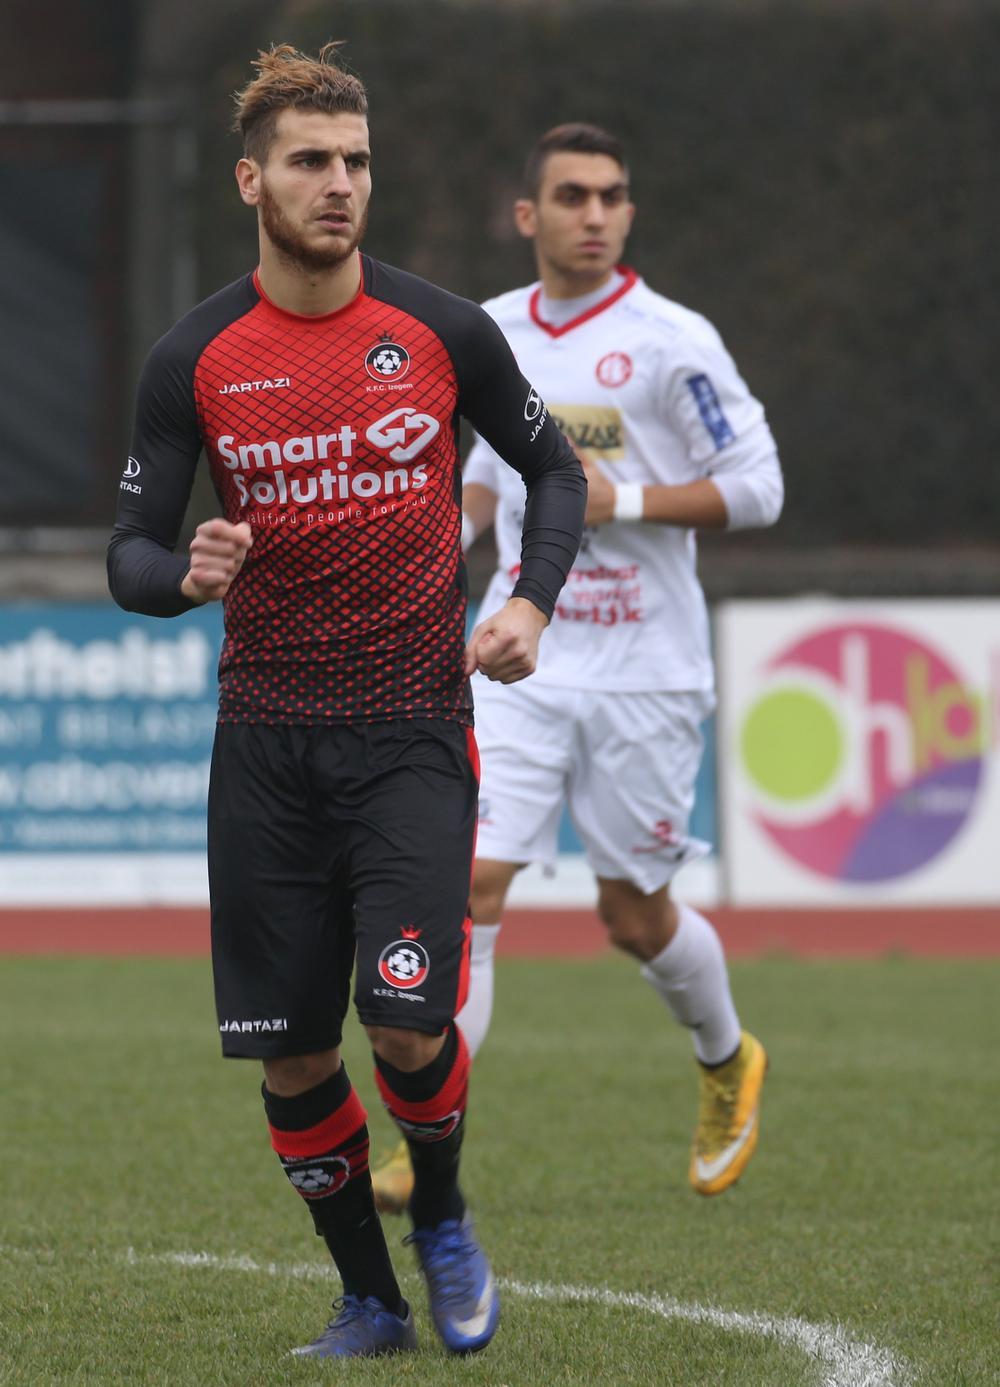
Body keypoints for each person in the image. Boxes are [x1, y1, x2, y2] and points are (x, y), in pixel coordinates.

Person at [107, 49, 586, 1362]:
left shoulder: (441, 331)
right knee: (292, 1057)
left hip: (413, 728)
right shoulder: (194, 355)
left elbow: (556, 475)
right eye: (312, 161)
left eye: (357, 160)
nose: (340, 183)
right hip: (262, 742)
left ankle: (441, 1214)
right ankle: (369, 1298)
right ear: (252, 180)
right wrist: (186, 574)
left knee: (408, 1016)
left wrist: (531, 601)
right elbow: (131, 555)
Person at [372, 122, 783, 1217]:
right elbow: (474, 484)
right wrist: (420, 564)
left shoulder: (671, 342)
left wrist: (626, 500)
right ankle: (431, 1136)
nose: (593, 214)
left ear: (627, 213)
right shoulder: (490, 331)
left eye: (611, 196)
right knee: (473, 885)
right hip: (524, 652)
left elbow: (759, 487)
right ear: (528, 215)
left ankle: (725, 1056)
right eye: (571, 195)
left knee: (631, 912)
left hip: (647, 668)